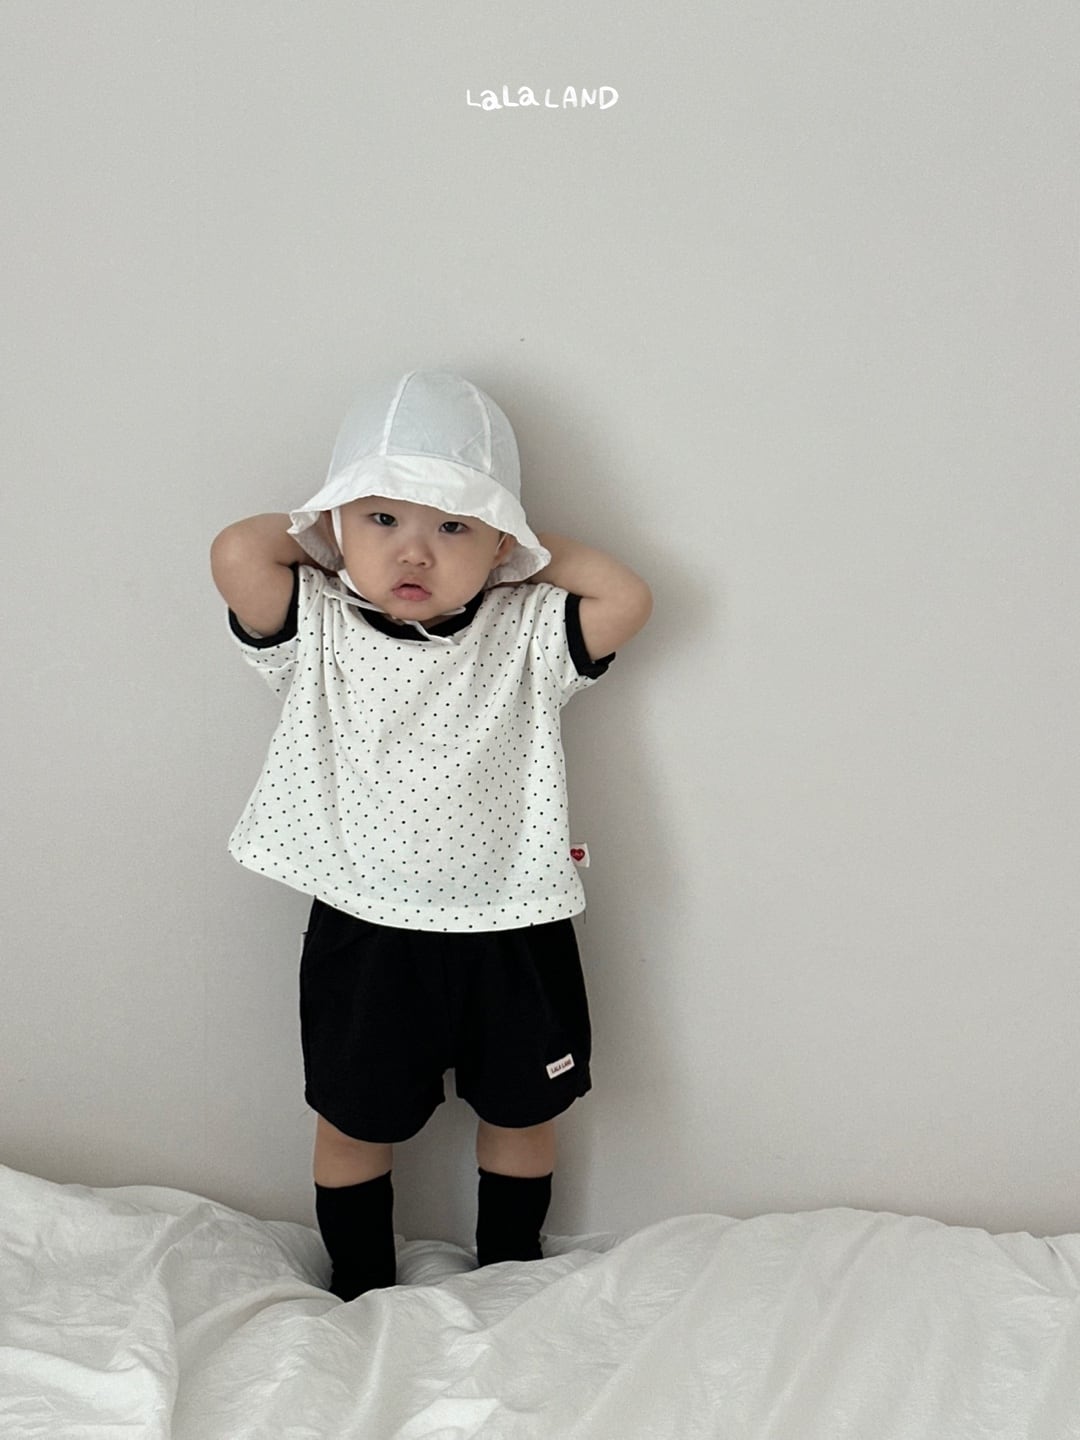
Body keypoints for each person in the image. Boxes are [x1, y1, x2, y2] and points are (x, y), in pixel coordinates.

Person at [210, 369, 652, 1301]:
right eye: (383, 519)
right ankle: (361, 1282)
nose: (414, 549)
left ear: (502, 541)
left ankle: (509, 1272)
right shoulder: (319, 623)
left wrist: (513, 553)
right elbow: (238, 553)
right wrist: (329, 538)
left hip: (512, 919)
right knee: (353, 1117)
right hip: (366, 926)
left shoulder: (526, 629)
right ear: (337, 525)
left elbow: (625, 597)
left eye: (453, 526)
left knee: (523, 1109)